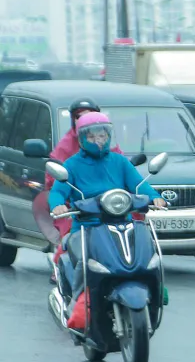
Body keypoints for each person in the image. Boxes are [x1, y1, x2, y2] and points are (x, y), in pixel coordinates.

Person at [49, 112, 166, 300]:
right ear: (81, 139)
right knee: (82, 261)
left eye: (102, 135)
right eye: (92, 136)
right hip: (86, 227)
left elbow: (137, 184)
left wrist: (154, 197)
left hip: (122, 224)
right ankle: (78, 302)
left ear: (109, 136)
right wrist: (58, 205)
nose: (98, 141)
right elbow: (57, 191)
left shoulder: (119, 161)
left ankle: (156, 294)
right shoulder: (72, 165)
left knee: (148, 254)